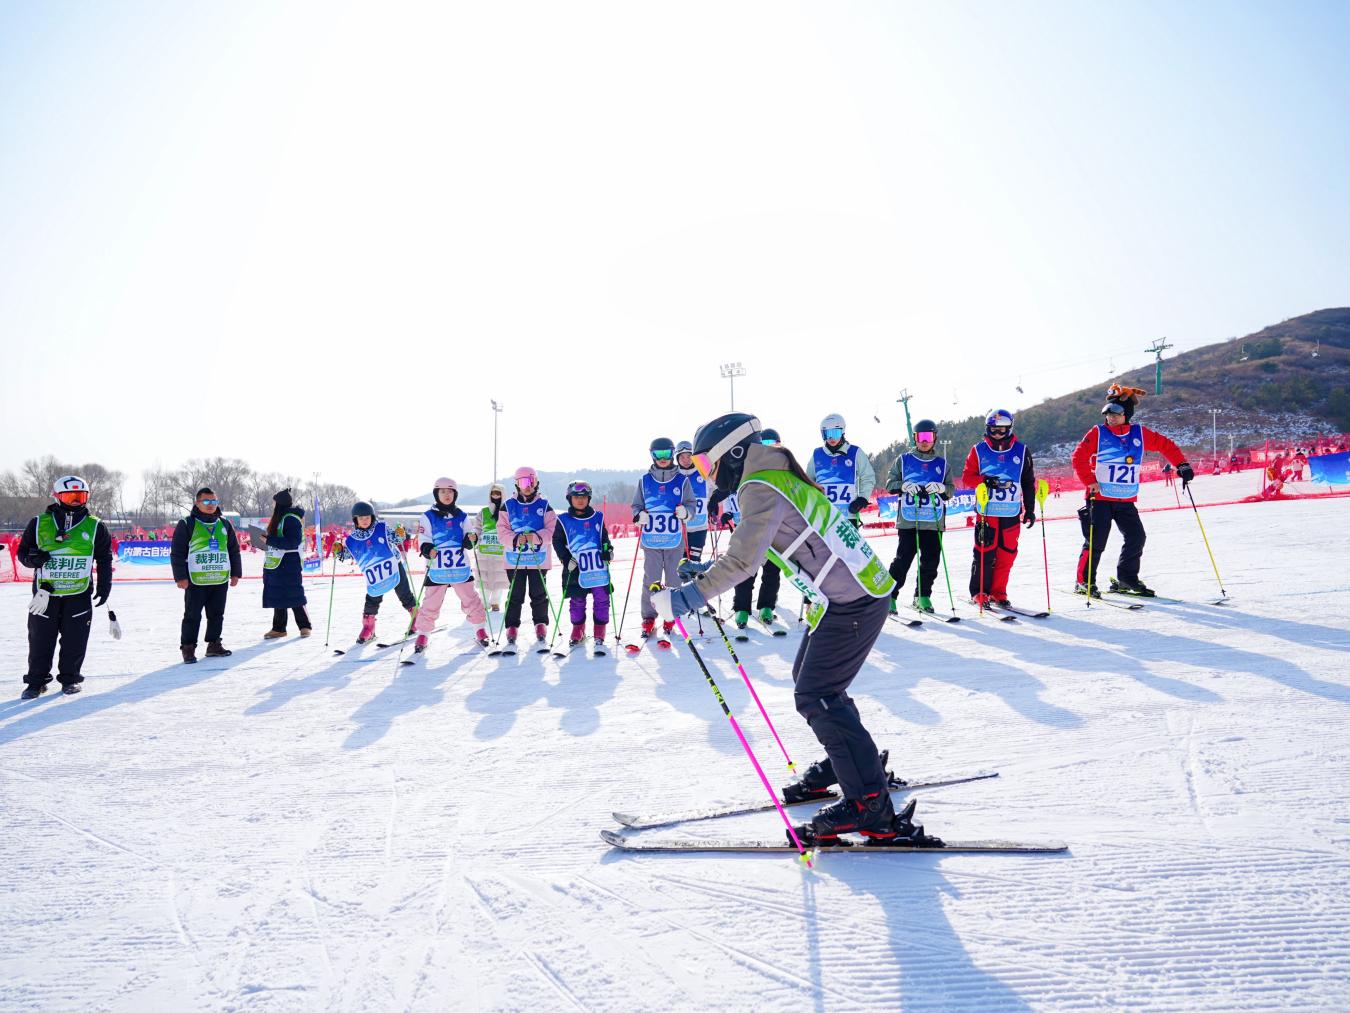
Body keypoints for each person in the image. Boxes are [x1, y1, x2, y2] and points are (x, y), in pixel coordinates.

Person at [654, 413, 935, 846]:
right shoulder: (773, 476)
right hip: (846, 596)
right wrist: (706, 572)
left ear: (733, 453)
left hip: (853, 599)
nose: (709, 476)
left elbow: (745, 562)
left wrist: (684, 599)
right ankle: (850, 765)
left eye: (708, 465)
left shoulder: (761, 486)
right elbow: (755, 548)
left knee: (817, 694)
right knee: (816, 687)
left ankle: (869, 804)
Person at [1070, 385, 1191, 597]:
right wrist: (1089, 481)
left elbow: (1166, 445)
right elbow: (1078, 458)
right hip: (1099, 498)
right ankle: (1084, 582)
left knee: (1136, 537)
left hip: (1125, 499)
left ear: (1127, 414)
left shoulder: (1139, 434)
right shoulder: (1098, 432)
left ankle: (1126, 578)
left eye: (1116, 413)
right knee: (1096, 541)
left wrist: (1182, 464)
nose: (1111, 417)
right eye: (1107, 413)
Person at [17, 475, 114, 697]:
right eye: (71, 496)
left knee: (75, 639)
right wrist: (33, 560)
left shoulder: (96, 525)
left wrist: (105, 586)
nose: (76, 501)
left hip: (78, 593)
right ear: (58, 496)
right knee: (40, 639)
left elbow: (104, 558)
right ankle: (36, 682)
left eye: (81, 496)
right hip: (45, 594)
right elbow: (22, 553)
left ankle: (70, 679)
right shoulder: (39, 522)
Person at [961, 409, 1037, 608]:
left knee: (1007, 553)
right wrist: (984, 481)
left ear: (1009, 429)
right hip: (987, 512)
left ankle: (998, 592)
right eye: (993, 430)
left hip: (1011, 512)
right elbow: (967, 478)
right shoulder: (978, 450)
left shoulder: (1021, 450)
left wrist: (1030, 509)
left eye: (1001, 430)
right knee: (984, 552)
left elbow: (1028, 482)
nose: (997, 434)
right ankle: (979, 592)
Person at [884, 418, 954, 615]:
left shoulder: (942, 464)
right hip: (909, 521)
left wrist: (942, 488)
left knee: (931, 561)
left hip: (933, 522)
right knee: (902, 561)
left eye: (929, 436)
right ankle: (890, 597)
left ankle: (922, 596)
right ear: (915, 438)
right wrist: (903, 486)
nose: (925, 441)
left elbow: (950, 490)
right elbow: (890, 483)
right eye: (921, 436)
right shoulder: (903, 460)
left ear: (935, 438)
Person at [413, 477, 489, 652]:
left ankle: (479, 629)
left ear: (455, 494)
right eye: (443, 492)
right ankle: (423, 633)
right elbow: (424, 539)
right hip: (437, 568)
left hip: (459, 566)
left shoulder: (461, 516)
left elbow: (469, 538)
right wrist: (428, 549)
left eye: (450, 492)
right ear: (436, 494)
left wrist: (471, 539)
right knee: (431, 602)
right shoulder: (428, 516)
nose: (446, 495)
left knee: (470, 598)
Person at [632, 437, 696, 642]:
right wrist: (639, 515)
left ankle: (671, 614)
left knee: (673, 579)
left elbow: (692, 506)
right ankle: (649, 617)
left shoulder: (681, 480)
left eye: (666, 454)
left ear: (672, 455)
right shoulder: (644, 481)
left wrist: (685, 512)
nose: (662, 459)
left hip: (673, 541)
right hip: (651, 541)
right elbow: (636, 506)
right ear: (652, 455)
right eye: (658, 455)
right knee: (650, 580)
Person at [170, 487, 243, 663]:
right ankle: (188, 648)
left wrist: (236, 573)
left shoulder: (224, 524)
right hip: (196, 579)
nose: (211, 505)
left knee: (217, 614)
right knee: (192, 615)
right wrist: (180, 577)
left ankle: (214, 644)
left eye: (214, 501)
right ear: (197, 503)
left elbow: (233, 550)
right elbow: (177, 552)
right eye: (207, 501)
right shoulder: (187, 523)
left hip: (219, 577)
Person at [496, 466, 557, 648]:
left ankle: (540, 624)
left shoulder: (544, 505)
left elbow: (552, 530)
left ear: (536, 482)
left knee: (538, 593)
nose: (527, 486)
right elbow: (501, 532)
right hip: (514, 559)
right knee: (515, 594)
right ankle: (512, 626)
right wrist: (515, 539)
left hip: (538, 559)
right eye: (523, 482)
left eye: (531, 481)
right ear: (517, 483)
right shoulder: (508, 506)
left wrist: (536, 537)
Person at [729, 429, 785, 630]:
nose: (769, 447)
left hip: (776, 528)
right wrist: (728, 510)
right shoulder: (749, 464)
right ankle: (742, 608)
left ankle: (766, 606)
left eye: (773, 443)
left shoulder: (784, 467)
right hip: (750, 526)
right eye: (765, 442)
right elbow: (732, 490)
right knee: (745, 569)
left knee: (772, 570)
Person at [341, 501, 418, 644]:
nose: (365, 521)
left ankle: (417, 618)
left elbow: (396, 538)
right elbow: (347, 554)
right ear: (355, 520)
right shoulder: (353, 539)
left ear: (372, 517)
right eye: (361, 518)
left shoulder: (381, 528)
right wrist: (338, 550)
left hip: (393, 566)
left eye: (367, 517)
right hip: (374, 573)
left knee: (404, 593)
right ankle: (368, 627)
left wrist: (401, 533)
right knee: (372, 598)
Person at [552, 480, 614, 648]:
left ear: (589, 498)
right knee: (577, 599)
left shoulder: (598, 518)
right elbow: (557, 541)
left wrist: (608, 551)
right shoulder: (563, 520)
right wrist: (565, 559)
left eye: (584, 497)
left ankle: (600, 631)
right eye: (576, 497)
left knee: (602, 598)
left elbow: (604, 539)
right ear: (569, 498)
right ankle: (578, 629)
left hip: (596, 566)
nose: (580, 500)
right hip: (576, 567)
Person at [806, 413, 876, 525]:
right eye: (827, 434)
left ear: (842, 432)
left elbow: (868, 477)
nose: (832, 438)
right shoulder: (817, 455)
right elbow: (808, 481)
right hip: (823, 515)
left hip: (848, 514)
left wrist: (862, 498)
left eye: (836, 433)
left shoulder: (855, 452)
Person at [262, 488, 311, 638]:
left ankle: (304, 625)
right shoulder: (282, 518)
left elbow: (292, 542)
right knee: (278, 594)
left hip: (288, 562)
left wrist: (268, 540)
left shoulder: (290, 518)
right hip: (277, 562)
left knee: (293, 592)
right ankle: (279, 628)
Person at [475, 483, 510, 612]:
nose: (495, 495)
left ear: (503, 494)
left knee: (499, 578)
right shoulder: (483, 512)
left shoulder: (507, 511)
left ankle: (495, 602)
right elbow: (477, 528)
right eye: (493, 493)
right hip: (484, 550)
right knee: (483, 577)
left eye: (498, 493)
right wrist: (474, 537)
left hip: (500, 550)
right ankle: (483, 602)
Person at [676, 440, 711, 562]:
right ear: (677, 459)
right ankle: (681, 582)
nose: (686, 460)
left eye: (689, 456)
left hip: (699, 527)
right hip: (679, 529)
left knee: (694, 561)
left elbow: (715, 489)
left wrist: (712, 504)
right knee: (680, 563)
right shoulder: (674, 475)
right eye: (682, 457)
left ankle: (695, 581)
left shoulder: (703, 472)